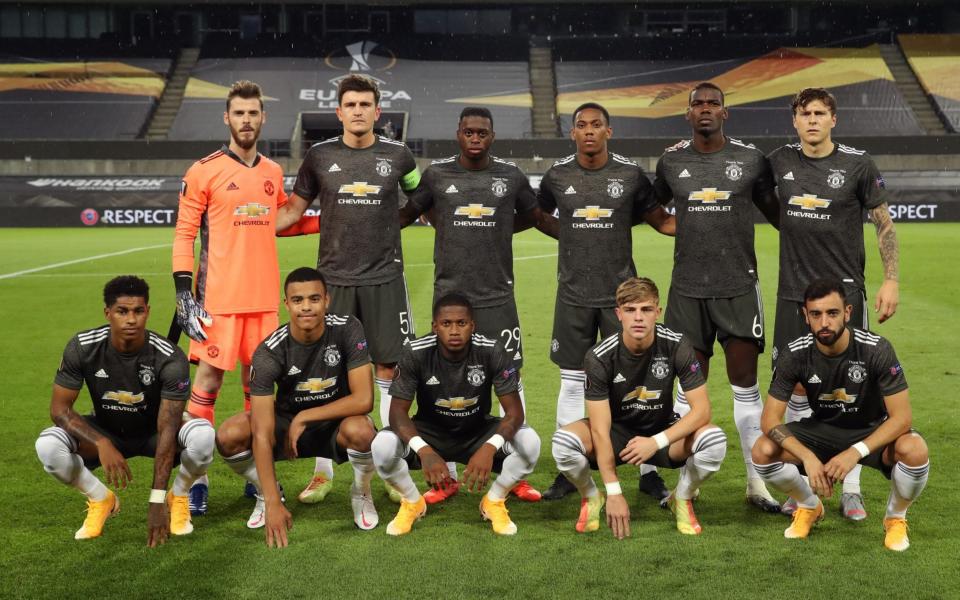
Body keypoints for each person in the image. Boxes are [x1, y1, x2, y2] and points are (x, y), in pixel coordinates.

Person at [280, 74, 422, 503]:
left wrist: (394, 223)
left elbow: (420, 198)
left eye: (366, 104)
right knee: (328, 374)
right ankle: (324, 471)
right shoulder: (319, 156)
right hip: (334, 281)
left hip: (385, 279)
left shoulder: (399, 155)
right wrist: (244, 228)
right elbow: (292, 211)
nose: (358, 111)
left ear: (378, 112)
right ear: (339, 112)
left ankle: (388, 465)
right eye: (351, 104)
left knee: (387, 371)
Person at [398, 106, 548, 504]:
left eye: (482, 132)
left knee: (510, 379)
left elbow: (533, 216)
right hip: (450, 298)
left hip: (497, 296)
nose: (476, 137)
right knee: (444, 380)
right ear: (458, 134)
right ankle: (444, 470)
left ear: (492, 136)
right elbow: (411, 212)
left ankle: (511, 470)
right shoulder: (437, 174)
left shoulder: (510, 176)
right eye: (469, 131)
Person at [172, 80, 306, 514]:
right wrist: (182, 292)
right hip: (219, 301)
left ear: (263, 118)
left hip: (265, 301)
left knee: (259, 389)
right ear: (226, 118)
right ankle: (197, 476)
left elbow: (281, 220)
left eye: (253, 113)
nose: (246, 120)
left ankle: (256, 471)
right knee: (207, 384)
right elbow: (185, 234)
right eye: (239, 113)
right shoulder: (203, 170)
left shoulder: (271, 171)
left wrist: (339, 220)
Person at [768, 87, 901, 520]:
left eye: (820, 113)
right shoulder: (779, 162)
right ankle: (807, 483)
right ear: (794, 120)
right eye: (805, 113)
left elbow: (884, 225)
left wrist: (891, 280)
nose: (812, 120)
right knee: (797, 389)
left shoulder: (858, 164)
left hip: (843, 297)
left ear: (833, 119)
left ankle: (852, 487)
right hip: (792, 295)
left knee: (853, 393)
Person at [536, 102, 676, 502]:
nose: (590, 131)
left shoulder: (629, 175)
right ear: (573, 133)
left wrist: (709, 221)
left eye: (597, 125)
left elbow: (660, 219)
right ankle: (570, 469)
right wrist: (569, 236)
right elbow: (538, 214)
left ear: (608, 131)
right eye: (582, 125)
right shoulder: (558, 175)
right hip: (573, 294)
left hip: (621, 298)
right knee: (571, 380)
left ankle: (649, 469)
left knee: (639, 382)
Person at [651, 82, 781, 512]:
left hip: (738, 288)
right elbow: (653, 208)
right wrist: (678, 229)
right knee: (690, 393)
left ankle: (756, 483)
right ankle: (686, 487)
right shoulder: (671, 160)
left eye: (714, 103)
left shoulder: (750, 159)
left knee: (745, 387)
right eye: (698, 104)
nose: (705, 109)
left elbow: (777, 213)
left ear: (725, 113)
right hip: (687, 291)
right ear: (687, 114)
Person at [35, 275, 215, 545]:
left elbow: (167, 428)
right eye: (122, 311)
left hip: (155, 431)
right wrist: (101, 441)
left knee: (203, 437)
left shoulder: (169, 357)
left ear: (148, 312)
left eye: (138, 311)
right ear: (108, 313)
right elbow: (59, 410)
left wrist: (155, 499)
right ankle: (100, 498)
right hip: (107, 428)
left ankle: (177, 494)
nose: (131, 319)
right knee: (48, 446)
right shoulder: (83, 347)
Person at [752, 278, 927, 551]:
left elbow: (902, 418)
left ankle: (895, 518)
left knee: (915, 450)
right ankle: (809, 506)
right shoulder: (795, 353)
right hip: (822, 430)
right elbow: (769, 420)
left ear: (847, 312)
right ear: (805, 316)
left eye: (832, 313)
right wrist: (808, 458)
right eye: (816, 314)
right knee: (762, 450)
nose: (824, 322)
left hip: (870, 430)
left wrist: (855, 451)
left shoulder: (876, 349)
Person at [215, 267, 380, 546]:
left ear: (327, 300)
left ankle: (361, 491)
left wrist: (306, 415)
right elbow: (262, 432)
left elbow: (364, 399)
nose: (306, 307)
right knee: (229, 435)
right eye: (298, 300)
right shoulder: (269, 352)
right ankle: (266, 493)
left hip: (334, 424)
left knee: (363, 431)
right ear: (287, 304)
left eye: (314, 299)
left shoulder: (347, 328)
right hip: (287, 427)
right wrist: (272, 502)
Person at [551, 277, 726, 538]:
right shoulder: (599, 356)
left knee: (714, 440)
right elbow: (600, 429)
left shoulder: (677, 344)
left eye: (646, 309)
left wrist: (655, 442)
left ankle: (682, 497)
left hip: (662, 431)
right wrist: (613, 492)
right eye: (630, 310)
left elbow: (702, 411)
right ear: (618, 314)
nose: (638, 318)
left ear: (658, 312)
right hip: (616, 433)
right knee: (563, 442)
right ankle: (591, 496)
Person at [371, 294, 541, 536]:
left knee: (531, 443)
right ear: (434, 326)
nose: (454, 331)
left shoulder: (491, 350)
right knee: (381, 446)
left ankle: (494, 500)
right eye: (446, 324)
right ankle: (412, 501)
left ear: (472, 326)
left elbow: (515, 412)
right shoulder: (415, 352)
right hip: (430, 432)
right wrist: (424, 450)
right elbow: (397, 412)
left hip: (478, 431)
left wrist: (490, 447)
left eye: (461, 323)